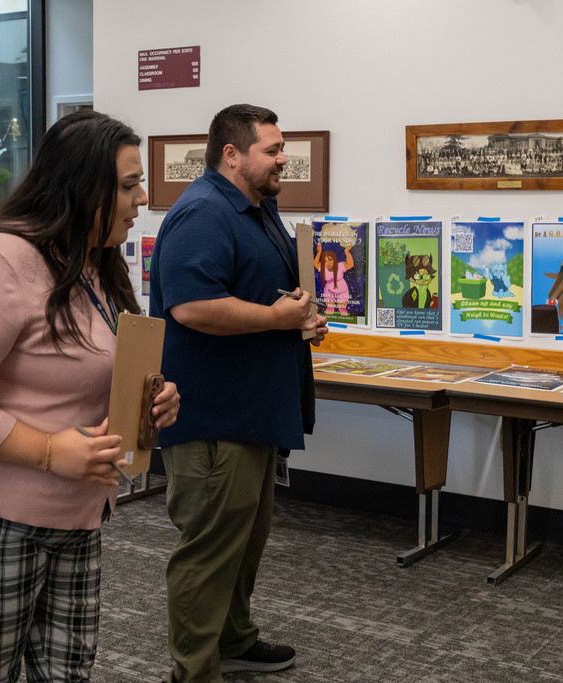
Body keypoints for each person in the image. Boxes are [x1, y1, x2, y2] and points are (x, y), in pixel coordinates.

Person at [0, 110, 180, 682]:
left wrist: (150, 398)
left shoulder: (92, 262)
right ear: (83, 188)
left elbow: (84, 367)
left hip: (74, 508)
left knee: (68, 670)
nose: (143, 198)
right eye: (129, 185)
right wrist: (51, 452)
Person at [149, 103, 328, 682]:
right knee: (209, 549)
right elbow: (191, 306)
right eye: (272, 150)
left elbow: (265, 297)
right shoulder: (203, 212)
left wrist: (299, 319)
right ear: (232, 154)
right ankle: (194, 671)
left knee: (244, 542)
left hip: (253, 411)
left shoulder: (256, 209)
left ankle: (232, 640)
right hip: (214, 418)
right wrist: (276, 319)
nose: (284, 159)